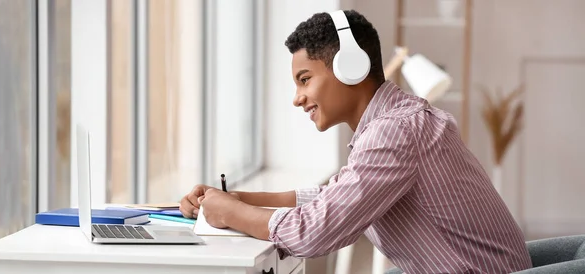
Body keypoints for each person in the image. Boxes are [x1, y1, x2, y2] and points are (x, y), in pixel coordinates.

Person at [179, 9, 532, 274]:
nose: (297, 98)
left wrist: (233, 213)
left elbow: (314, 233)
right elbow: (337, 195)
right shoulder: (393, 123)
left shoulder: (395, 131)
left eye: (305, 79)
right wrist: (238, 199)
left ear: (351, 67)